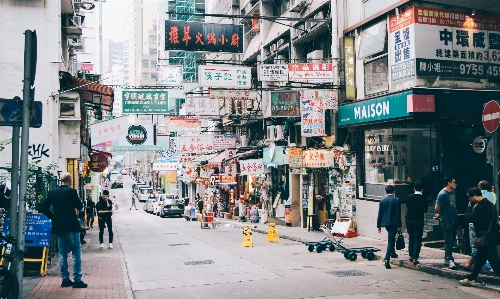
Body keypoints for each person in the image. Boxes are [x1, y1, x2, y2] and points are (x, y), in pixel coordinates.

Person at [39, 172, 88, 288]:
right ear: (70, 180)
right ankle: (77, 280)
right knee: (76, 252)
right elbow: (80, 206)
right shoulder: (71, 191)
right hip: (71, 226)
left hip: (59, 227)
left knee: (62, 253)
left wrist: (54, 217)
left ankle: (65, 279)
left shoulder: (53, 193)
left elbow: (42, 207)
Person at [459, 187, 500, 287]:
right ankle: (471, 278)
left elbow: (469, 218)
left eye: (469, 198)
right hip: (489, 236)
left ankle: (471, 278)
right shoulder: (490, 205)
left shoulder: (479, 207)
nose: (469, 200)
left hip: (485, 238)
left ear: (474, 196)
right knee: (479, 259)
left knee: (494, 261)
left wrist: (469, 208)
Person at [434, 176, 458, 270]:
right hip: (446, 219)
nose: (456, 184)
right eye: (454, 182)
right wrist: (440, 214)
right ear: (449, 183)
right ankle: (449, 258)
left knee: (451, 239)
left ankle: (447, 256)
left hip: (453, 218)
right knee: (448, 239)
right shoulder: (442, 194)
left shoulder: (451, 192)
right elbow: (437, 207)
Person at [377, 185, 402, 269]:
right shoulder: (397, 200)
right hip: (394, 223)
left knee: (391, 237)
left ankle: (393, 252)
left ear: (386, 192)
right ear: (393, 191)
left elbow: (380, 214)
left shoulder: (382, 200)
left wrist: (378, 225)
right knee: (391, 240)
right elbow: (398, 214)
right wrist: (399, 225)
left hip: (385, 223)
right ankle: (387, 259)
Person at [405, 181, 428, 265]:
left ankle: (410, 255)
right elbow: (426, 210)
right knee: (418, 239)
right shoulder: (424, 199)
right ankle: (415, 257)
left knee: (411, 237)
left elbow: (407, 206)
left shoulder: (409, 197)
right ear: (422, 189)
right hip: (418, 220)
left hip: (409, 219)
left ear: (414, 188)